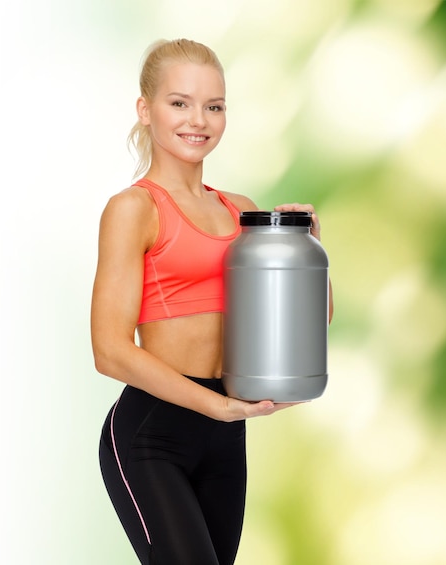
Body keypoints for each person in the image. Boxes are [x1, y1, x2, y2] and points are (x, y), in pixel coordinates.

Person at [91, 38, 334, 565]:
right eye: (179, 102)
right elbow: (109, 350)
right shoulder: (133, 209)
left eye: (214, 106)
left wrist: (308, 245)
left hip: (225, 437)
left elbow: (310, 327)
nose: (198, 119)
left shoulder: (243, 213)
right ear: (145, 109)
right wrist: (217, 405)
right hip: (152, 433)